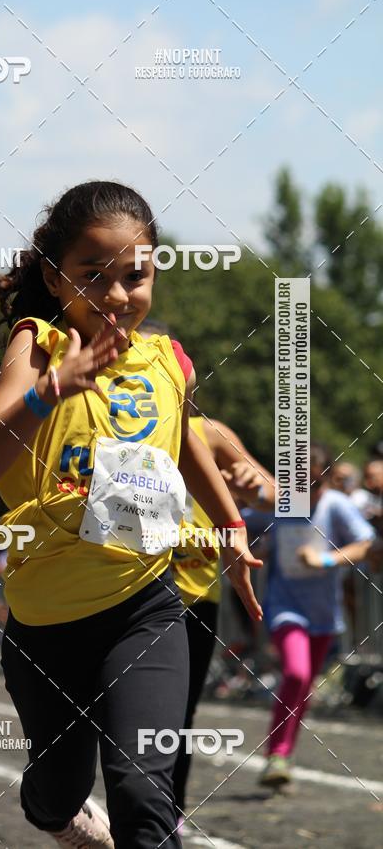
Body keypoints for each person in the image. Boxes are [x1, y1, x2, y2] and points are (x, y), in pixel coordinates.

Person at [0, 180, 263, 848]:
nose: (117, 294)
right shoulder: (38, 345)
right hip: (47, 624)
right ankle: (55, 811)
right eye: (93, 275)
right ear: (54, 277)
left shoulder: (166, 360)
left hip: (145, 608)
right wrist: (50, 391)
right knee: (58, 791)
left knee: (144, 795)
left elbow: (188, 441)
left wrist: (232, 530)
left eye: (135, 276)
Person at [136, 321, 276, 831]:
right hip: (121, 589)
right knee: (123, 713)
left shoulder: (207, 433)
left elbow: (277, 494)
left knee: (178, 716)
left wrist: (252, 487)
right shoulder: (110, 424)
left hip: (193, 596)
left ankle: (166, 815)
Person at [258, 442, 376, 788]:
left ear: (325, 479)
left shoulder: (335, 505)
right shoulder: (278, 504)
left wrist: (326, 559)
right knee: (296, 674)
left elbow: (366, 543)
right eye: (297, 484)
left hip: (323, 614)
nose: (305, 492)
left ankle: (282, 756)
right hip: (284, 607)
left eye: (312, 484)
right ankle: (277, 752)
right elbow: (241, 522)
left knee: (304, 686)